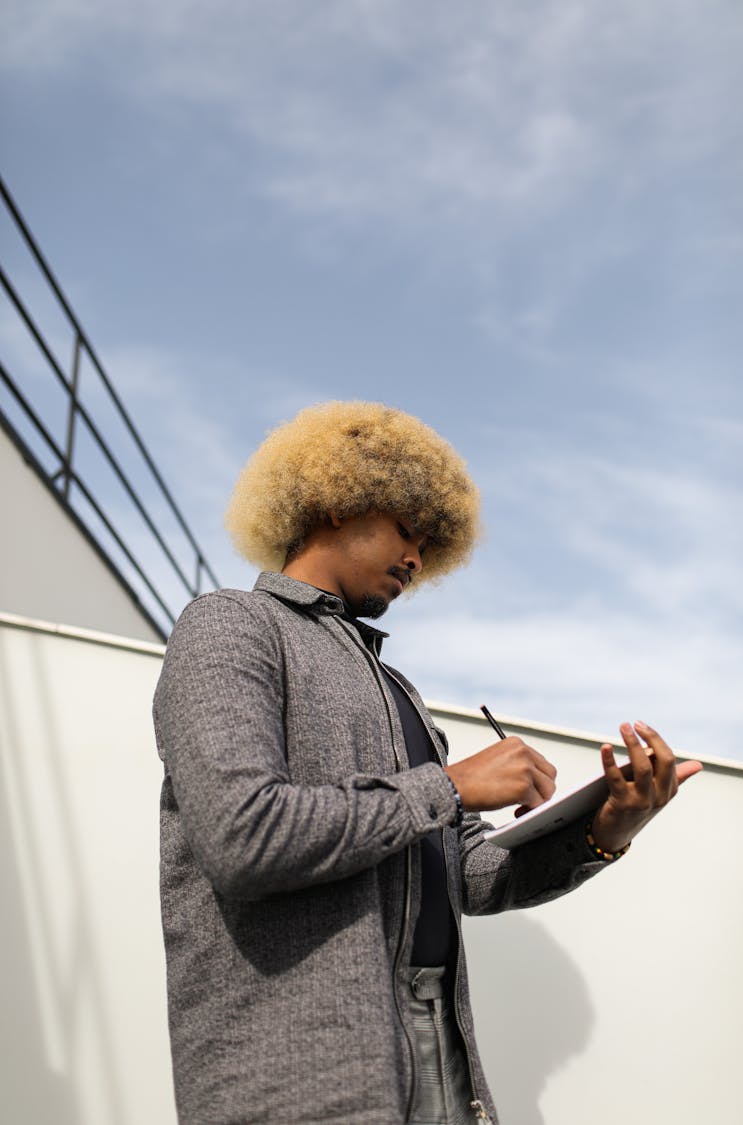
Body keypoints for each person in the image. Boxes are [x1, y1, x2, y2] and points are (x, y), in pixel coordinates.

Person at [153, 401, 701, 1125]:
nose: (417, 558)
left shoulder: (400, 693)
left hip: (439, 1055)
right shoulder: (229, 625)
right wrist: (447, 784)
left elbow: (470, 878)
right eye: (409, 528)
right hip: (296, 1075)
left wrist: (608, 826)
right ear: (332, 498)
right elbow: (244, 835)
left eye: (431, 542)